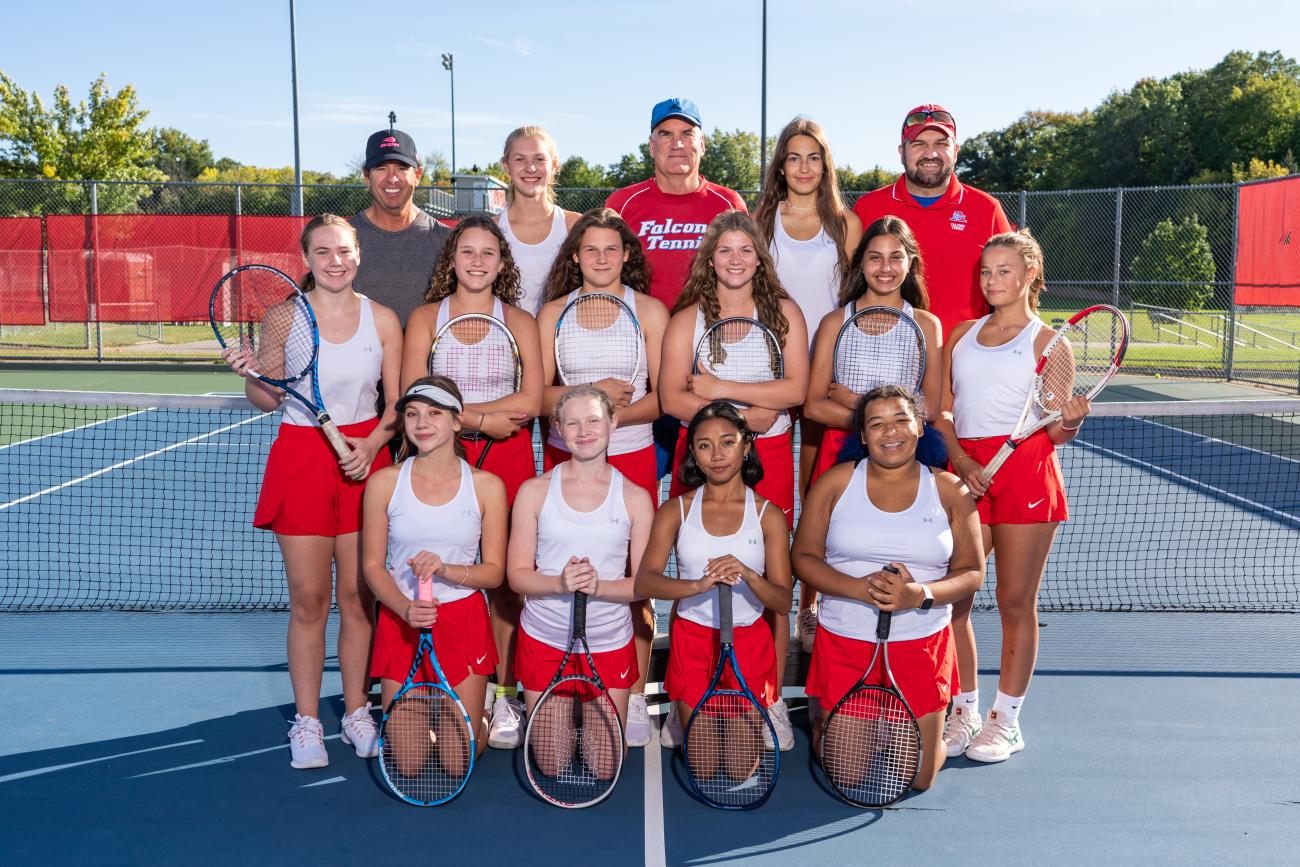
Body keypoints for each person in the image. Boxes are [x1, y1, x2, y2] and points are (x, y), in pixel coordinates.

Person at [222, 213, 403, 769]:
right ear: (306, 260)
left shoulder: (383, 319)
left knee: (357, 598)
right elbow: (269, 398)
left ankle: (354, 712)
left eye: (343, 250)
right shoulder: (284, 317)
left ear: (358, 255)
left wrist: (371, 447)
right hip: (301, 458)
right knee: (309, 602)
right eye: (322, 252)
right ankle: (306, 723)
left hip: (363, 459)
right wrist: (249, 374)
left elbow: (395, 405)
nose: (334, 261)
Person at [935, 229, 1090, 763]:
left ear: (1029, 277)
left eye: (1004, 270)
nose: (993, 280)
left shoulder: (1050, 344)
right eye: (986, 271)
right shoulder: (959, 336)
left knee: (1015, 601)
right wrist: (961, 461)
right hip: (969, 473)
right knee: (955, 596)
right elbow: (943, 411)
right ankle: (964, 708)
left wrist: (1069, 424)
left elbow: (1053, 426)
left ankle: (1006, 720)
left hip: (1027, 472)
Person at [659, 211, 808, 750]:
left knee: (768, 574)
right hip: (703, 454)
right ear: (710, 258)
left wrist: (722, 389)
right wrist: (743, 415)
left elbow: (797, 390)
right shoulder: (687, 319)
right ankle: (686, 695)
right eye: (725, 250)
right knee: (694, 566)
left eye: (746, 249)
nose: (736, 259)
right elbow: (673, 397)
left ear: (759, 258)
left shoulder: (784, 312)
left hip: (769, 453)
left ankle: (767, 697)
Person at [791, 385, 983, 793]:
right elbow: (803, 558)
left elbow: (971, 572)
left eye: (900, 420)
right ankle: (834, 717)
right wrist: (856, 589)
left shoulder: (949, 489)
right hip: (847, 643)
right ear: (862, 435)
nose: (889, 432)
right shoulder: (835, 482)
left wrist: (920, 595)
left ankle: (910, 728)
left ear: (919, 428)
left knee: (918, 779)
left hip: (919, 646)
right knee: (845, 775)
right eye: (876, 424)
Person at [401, 214, 545, 750]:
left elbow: (530, 402)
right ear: (452, 259)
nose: (478, 261)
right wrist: (481, 419)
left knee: (505, 581)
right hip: (439, 457)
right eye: (467, 252)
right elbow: (413, 393)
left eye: (489, 252)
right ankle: (432, 682)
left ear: (502, 263)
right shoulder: (424, 319)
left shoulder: (521, 322)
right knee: (433, 574)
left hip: (507, 463)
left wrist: (453, 411)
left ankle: (501, 693)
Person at [535, 207, 669, 747]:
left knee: (635, 584)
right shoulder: (552, 314)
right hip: (562, 457)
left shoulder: (651, 312)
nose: (601, 258)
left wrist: (604, 419)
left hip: (633, 457)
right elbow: (540, 398)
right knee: (559, 573)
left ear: (627, 255)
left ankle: (633, 694)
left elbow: (662, 399)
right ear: (574, 256)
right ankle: (564, 688)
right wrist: (591, 400)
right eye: (590, 249)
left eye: (611, 249)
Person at [799, 216, 945, 650]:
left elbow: (931, 407)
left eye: (895, 257)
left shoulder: (926, 324)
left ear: (910, 262)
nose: (885, 267)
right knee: (825, 539)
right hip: (841, 450)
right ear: (860, 264)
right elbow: (812, 404)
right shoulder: (833, 322)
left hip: (905, 454)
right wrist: (876, 423)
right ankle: (811, 611)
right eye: (875, 257)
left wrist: (854, 402)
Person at [361, 376, 508, 769]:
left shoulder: (487, 486)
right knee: (407, 764)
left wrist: (446, 569)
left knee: (457, 762)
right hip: (401, 620)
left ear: (457, 422)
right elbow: (373, 566)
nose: (421, 423)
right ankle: (432, 719)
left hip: (463, 621)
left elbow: (494, 574)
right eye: (412, 414)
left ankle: (480, 714)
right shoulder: (384, 483)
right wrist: (404, 607)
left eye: (434, 413)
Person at [634, 402, 793, 756]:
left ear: (747, 446)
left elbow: (782, 601)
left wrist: (750, 575)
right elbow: (646, 582)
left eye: (728, 442)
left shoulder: (769, 516)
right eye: (704, 445)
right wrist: (696, 586)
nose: (717, 455)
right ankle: (682, 708)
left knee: (738, 766)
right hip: (692, 642)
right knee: (703, 766)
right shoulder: (675, 509)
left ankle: (767, 704)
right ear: (693, 452)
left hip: (749, 644)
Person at [506, 387, 656, 755]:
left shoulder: (636, 498)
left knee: (604, 765)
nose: (584, 430)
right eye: (572, 423)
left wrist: (596, 586)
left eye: (593, 420)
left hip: (608, 642)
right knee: (551, 764)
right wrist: (559, 582)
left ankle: (582, 713)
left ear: (613, 423)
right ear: (557, 428)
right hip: (545, 638)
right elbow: (517, 576)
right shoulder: (534, 491)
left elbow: (643, 585)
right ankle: (562, 712)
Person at [851, 105, 1011, 336]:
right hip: (885, 359)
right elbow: (848, 285)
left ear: (955, 151)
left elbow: (1012, 290)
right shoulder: (868, 208)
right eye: (919, 144)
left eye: (941, 144)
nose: (930, 154)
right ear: (901, 151)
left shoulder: (986, 209)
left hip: (961, 358)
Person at [605, 98, 748, 312]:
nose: (677, 144)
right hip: (638, 332)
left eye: (687, 134)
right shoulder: (621, 204)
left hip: (709, 332)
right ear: (651, 147)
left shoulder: (729, 203)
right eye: (666, 134)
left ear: (702, 145)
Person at [350, 127, 452, 326]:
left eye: (401, 168)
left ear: (418, 175)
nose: (392, 178)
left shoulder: (445, 240)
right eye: (381, 168)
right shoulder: (343, 241)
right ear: (366, 177)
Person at [496, 126, 581, 316]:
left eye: (539, 159)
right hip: (506, 342)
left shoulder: (575, 226)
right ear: (506, 166)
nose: (530, 168)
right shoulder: (491, 230)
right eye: (520, 159)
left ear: (554, 165)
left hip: (562, 342)